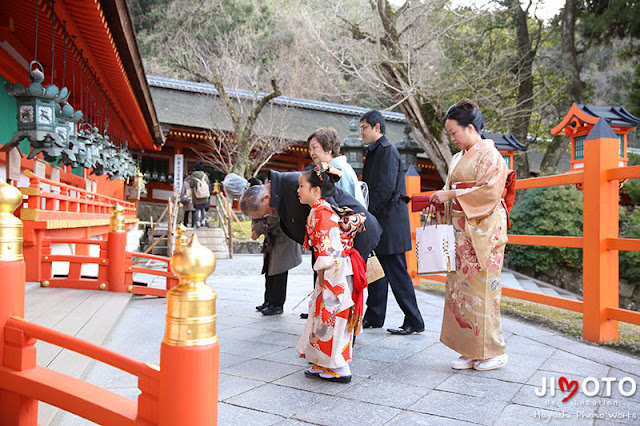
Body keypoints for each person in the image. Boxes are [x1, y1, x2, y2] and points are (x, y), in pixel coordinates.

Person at [428, 99, 509, 371]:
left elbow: (489, 192)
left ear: (471, 128)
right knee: (460, 290)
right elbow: (451, 187)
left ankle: (493, 351)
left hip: (483, 231)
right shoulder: (457, 157)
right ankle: (468, 349)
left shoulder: (491, 156)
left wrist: (450, 194)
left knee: (484, 289)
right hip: (461, 232)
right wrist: (442, 197)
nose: (452, 139)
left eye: (454, 133)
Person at [295, 163, 367, 383]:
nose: (298, 190)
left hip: (336, 272)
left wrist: (326, 280)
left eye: (301, 186)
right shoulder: (319, 210)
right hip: (330, 271)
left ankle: (339, 366)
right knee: (321, 317)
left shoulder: (323, 213)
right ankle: (322, 361)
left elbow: (330, 252)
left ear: (315, 190)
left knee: (333, 316)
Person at [359, 110, 425, 335]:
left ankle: (414, 320)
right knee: (376, 270)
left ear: (377, 127)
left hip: (389, 222)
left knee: (397, 272)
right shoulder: (375, 151)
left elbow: (386, 188)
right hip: (380, 220)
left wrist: (367, 213)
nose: (361, 132)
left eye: (364, 128)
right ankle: (374, 316)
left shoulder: (387, 151)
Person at [234, 171, 381, 262]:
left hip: (354, 236)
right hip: (333, 247)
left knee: (356, 292)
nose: (270, 215)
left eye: (265, 212)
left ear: (265, 198)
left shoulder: (295, 184)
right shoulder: (282, 191)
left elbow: (330, 213)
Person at [251, 179, 302, 316]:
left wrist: (258, 227)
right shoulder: (270, 196)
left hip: (284, 240)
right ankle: (268, 301)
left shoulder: (280, 198)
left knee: (279, 272)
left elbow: (274, 219)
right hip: (273, 239)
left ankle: (276, 304)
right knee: (269, 271)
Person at [307, 127, 366, 206]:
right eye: (310, 149)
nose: (312, 153)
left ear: (328, 148)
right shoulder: (330, 169)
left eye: (314, 148)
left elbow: (346, 203)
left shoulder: (340, 169)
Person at [189, 162, 210, 228]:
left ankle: (197, 222)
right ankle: (203, 221)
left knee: (197, 209)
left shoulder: (193, 176)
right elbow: (208, 184)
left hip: (197, 195)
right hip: (204, 195)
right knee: (203, 209)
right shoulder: (205, 175)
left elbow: (191, 185)